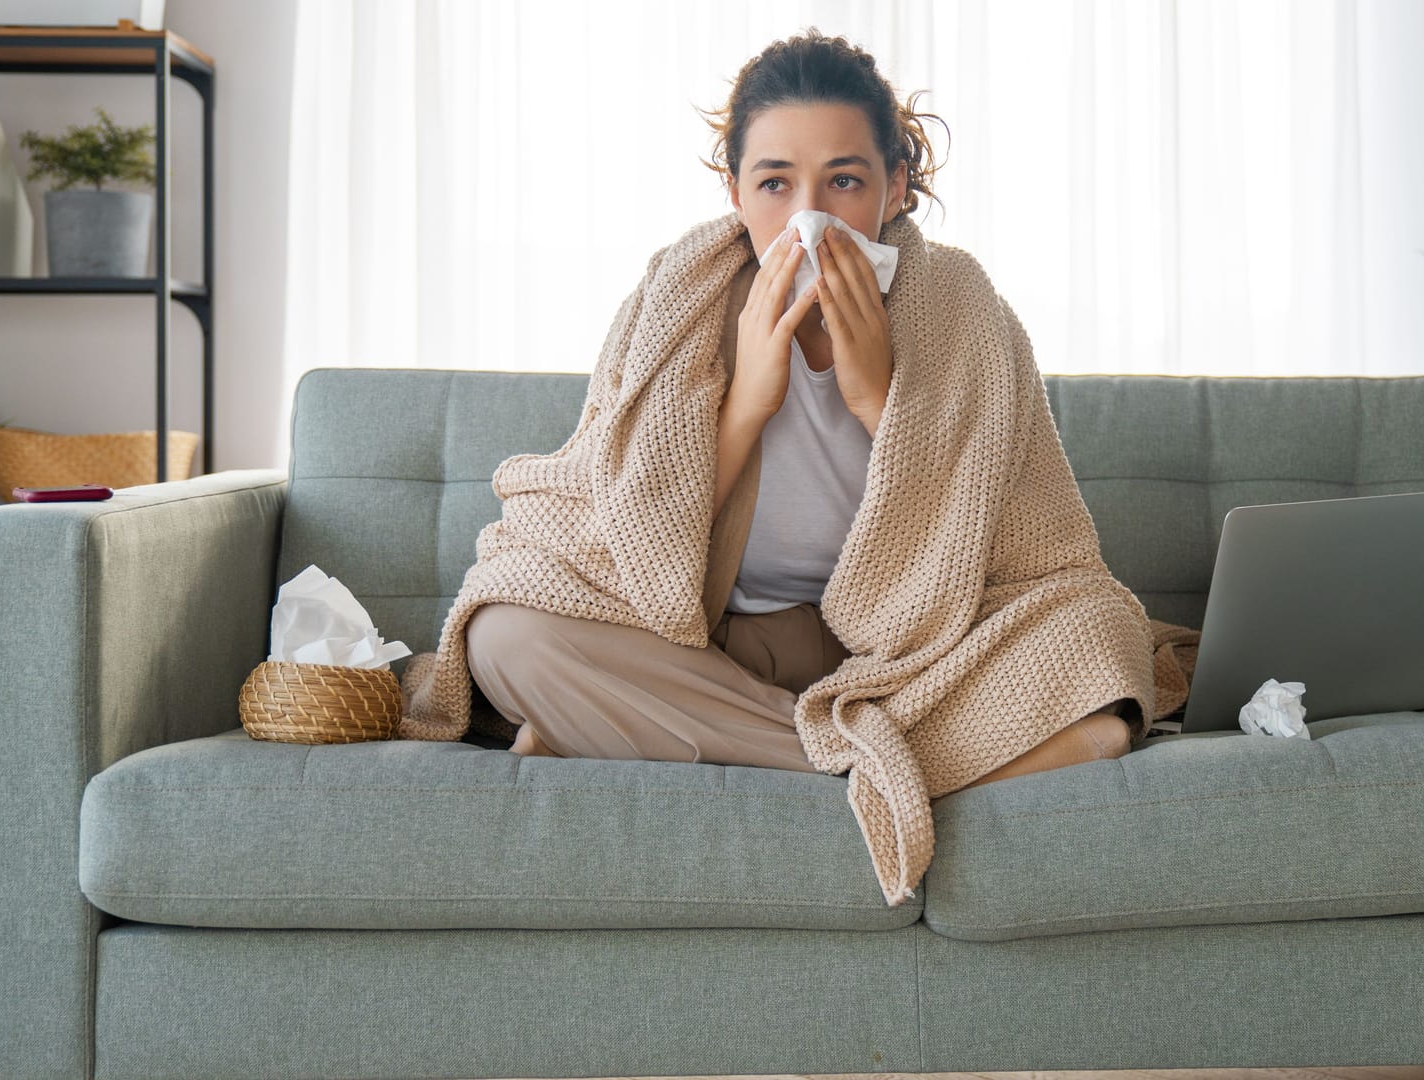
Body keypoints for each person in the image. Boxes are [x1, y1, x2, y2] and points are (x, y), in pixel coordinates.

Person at [464, 28, 1135, 792]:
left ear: (896, 186)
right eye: (776, 184)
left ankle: (650, 734)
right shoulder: (677, 298)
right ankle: (888, 765)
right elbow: (628, 543)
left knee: (1098, 633)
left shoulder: (962, 306)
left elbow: (1025, 548)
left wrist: (879, 400)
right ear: (735, 192)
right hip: (720, 645)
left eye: (844, 181)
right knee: (507, 635)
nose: (809, 217)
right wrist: (746, 404)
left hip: (912, 651)